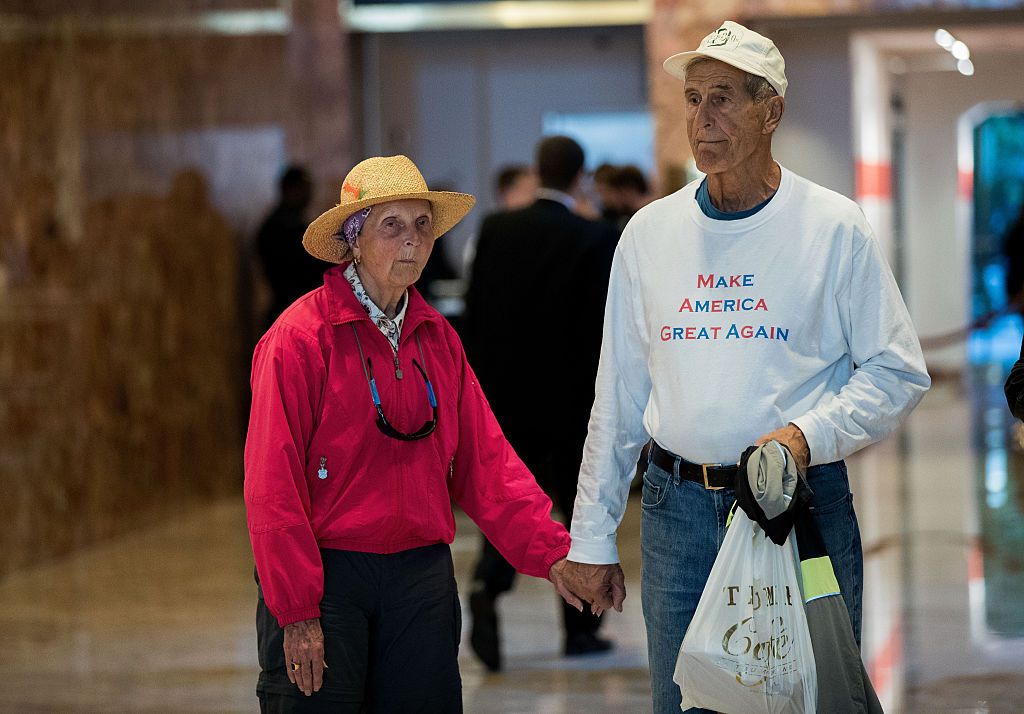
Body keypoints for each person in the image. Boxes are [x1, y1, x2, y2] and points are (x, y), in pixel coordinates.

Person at [558, 20, 931, 713]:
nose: (703, 119)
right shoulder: (649, 234)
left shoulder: (832, 226)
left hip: (799, 506)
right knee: (686, 702)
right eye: (694, 99)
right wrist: (591, 535)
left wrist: (805, 435)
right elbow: (617, 396)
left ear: (772, 111)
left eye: (724, 98)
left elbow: (896, 371)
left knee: (804, 699)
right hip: (676, 516)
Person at [244, 154, 582, 712]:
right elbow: (271, 488)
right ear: (353, 239)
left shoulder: (438, 340)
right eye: (392, 226)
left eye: (423, 225)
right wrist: (298, 610)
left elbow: (487, 465)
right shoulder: (299, 339)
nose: (412, 241)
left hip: (420, 580)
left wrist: (554, 554)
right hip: (328, 581)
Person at [462, 136, 619, 671]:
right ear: (580, 176)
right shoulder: (594, 236)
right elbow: (603, 329)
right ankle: (580, 627)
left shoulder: (498, 228)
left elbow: (476, 311)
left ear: (537, 170)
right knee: (578, 514)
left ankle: (488, 582)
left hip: (507, 398)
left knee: (510, 503)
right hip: (572, 400)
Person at [256, 166, 328, 329]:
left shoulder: (288, 224)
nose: (309, 196)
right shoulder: (279, 228)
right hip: (289, 310)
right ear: (290, 190)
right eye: (304, 190)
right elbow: (303, 267)